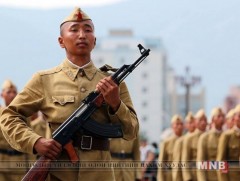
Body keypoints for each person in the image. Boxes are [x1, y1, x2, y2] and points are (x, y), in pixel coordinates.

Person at [0, 7, 139, 181]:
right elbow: (9, 116)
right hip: (59, 174)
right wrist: (35, 141)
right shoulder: (44, 80)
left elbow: (131, 131)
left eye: (88, 30)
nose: (82, 35)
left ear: (94, 41)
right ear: (61, 41)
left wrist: (116, 104)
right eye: (74, 30)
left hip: (100, 175)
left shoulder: (113, 84)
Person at [0, 80, 30, 180]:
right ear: (2, 95)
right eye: (9, 92)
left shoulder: (24, 114)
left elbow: (29, 140)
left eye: (14, 92)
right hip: (2, 165)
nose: (12, 95)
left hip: (20, 165)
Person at [197, 107, 225, 181]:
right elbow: (200, 162)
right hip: (211, 177)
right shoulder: (205, 138)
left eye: (223, 116)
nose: (221, 119)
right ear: (212, 119)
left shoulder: (228, 136)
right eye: (218, 116)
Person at [181, 109, 208, 181]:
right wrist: (188, 178)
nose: (203, 123)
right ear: (195, 122)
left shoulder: (210, 137)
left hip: (210, 174)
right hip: (194, 175)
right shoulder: (189, 138)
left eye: (205, 120)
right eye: (200, 120)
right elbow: (185, 160)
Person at [217, 105, 240, 181]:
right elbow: (221, 161)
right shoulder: (227, 136)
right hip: (232, 177)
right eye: (239, 116)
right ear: (234, 118)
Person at [157, 114, 184, 181]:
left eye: (181, 124)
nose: (179, 126)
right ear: (172, 126)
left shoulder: (186, 140)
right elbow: (161, 162)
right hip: (170, 175)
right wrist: (161, 178)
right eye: (177, 124)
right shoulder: (166, 142)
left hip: (183, 174)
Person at [172, 112, 196, 181]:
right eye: (190, 123)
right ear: (186, 125)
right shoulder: (181, 141)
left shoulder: (199, 138)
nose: (193, 125)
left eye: (193, 122)